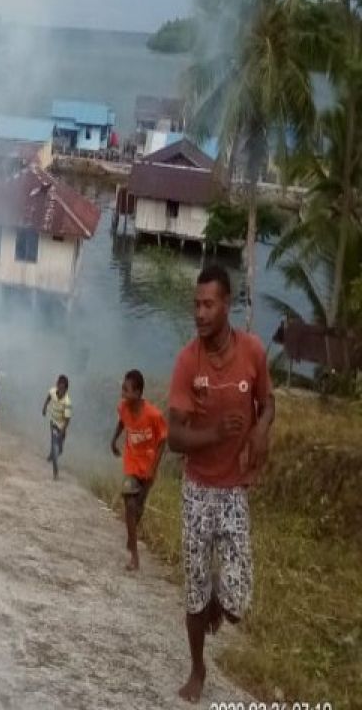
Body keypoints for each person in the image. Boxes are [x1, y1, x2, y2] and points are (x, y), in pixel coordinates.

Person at [167, 265, 274, 703]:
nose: (200, 313)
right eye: (196, 304)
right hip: (197, 488)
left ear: (228, 305)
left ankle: (218, 602)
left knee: (235, 601)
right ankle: (197, 669)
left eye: (209, 304)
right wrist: (212, 435)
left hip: (233, 490)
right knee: (194, 592)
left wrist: (261, 429)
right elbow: (174, 437)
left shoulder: (252, 352)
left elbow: (267, 403)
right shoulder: (187, 361)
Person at [109, 369, 168, 572]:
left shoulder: (153, 414)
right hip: (131, 464)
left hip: (148, 467)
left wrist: (153, 468)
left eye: (127, 389)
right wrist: (113, 440)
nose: (123, 392)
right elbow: (121, 421)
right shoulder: (123, 407)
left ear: (138, 392)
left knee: (139, 508)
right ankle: (134, 556)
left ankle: (131, 536)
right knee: (130, 505)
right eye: (123, 387)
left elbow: (162, 440)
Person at [41, 374, 72, 480]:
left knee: (60, 450)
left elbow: (67, 420)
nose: (60, 390)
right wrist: (44, 407)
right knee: (54, 447)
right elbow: (48, 397)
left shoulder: (67, 402)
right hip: (53, 424)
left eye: (63, 388)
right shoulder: (53, 391)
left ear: (66, 389)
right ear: (57, 385)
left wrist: (63, 431)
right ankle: (55, 472)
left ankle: (52, 455)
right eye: (59, 387)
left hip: (62, 427)